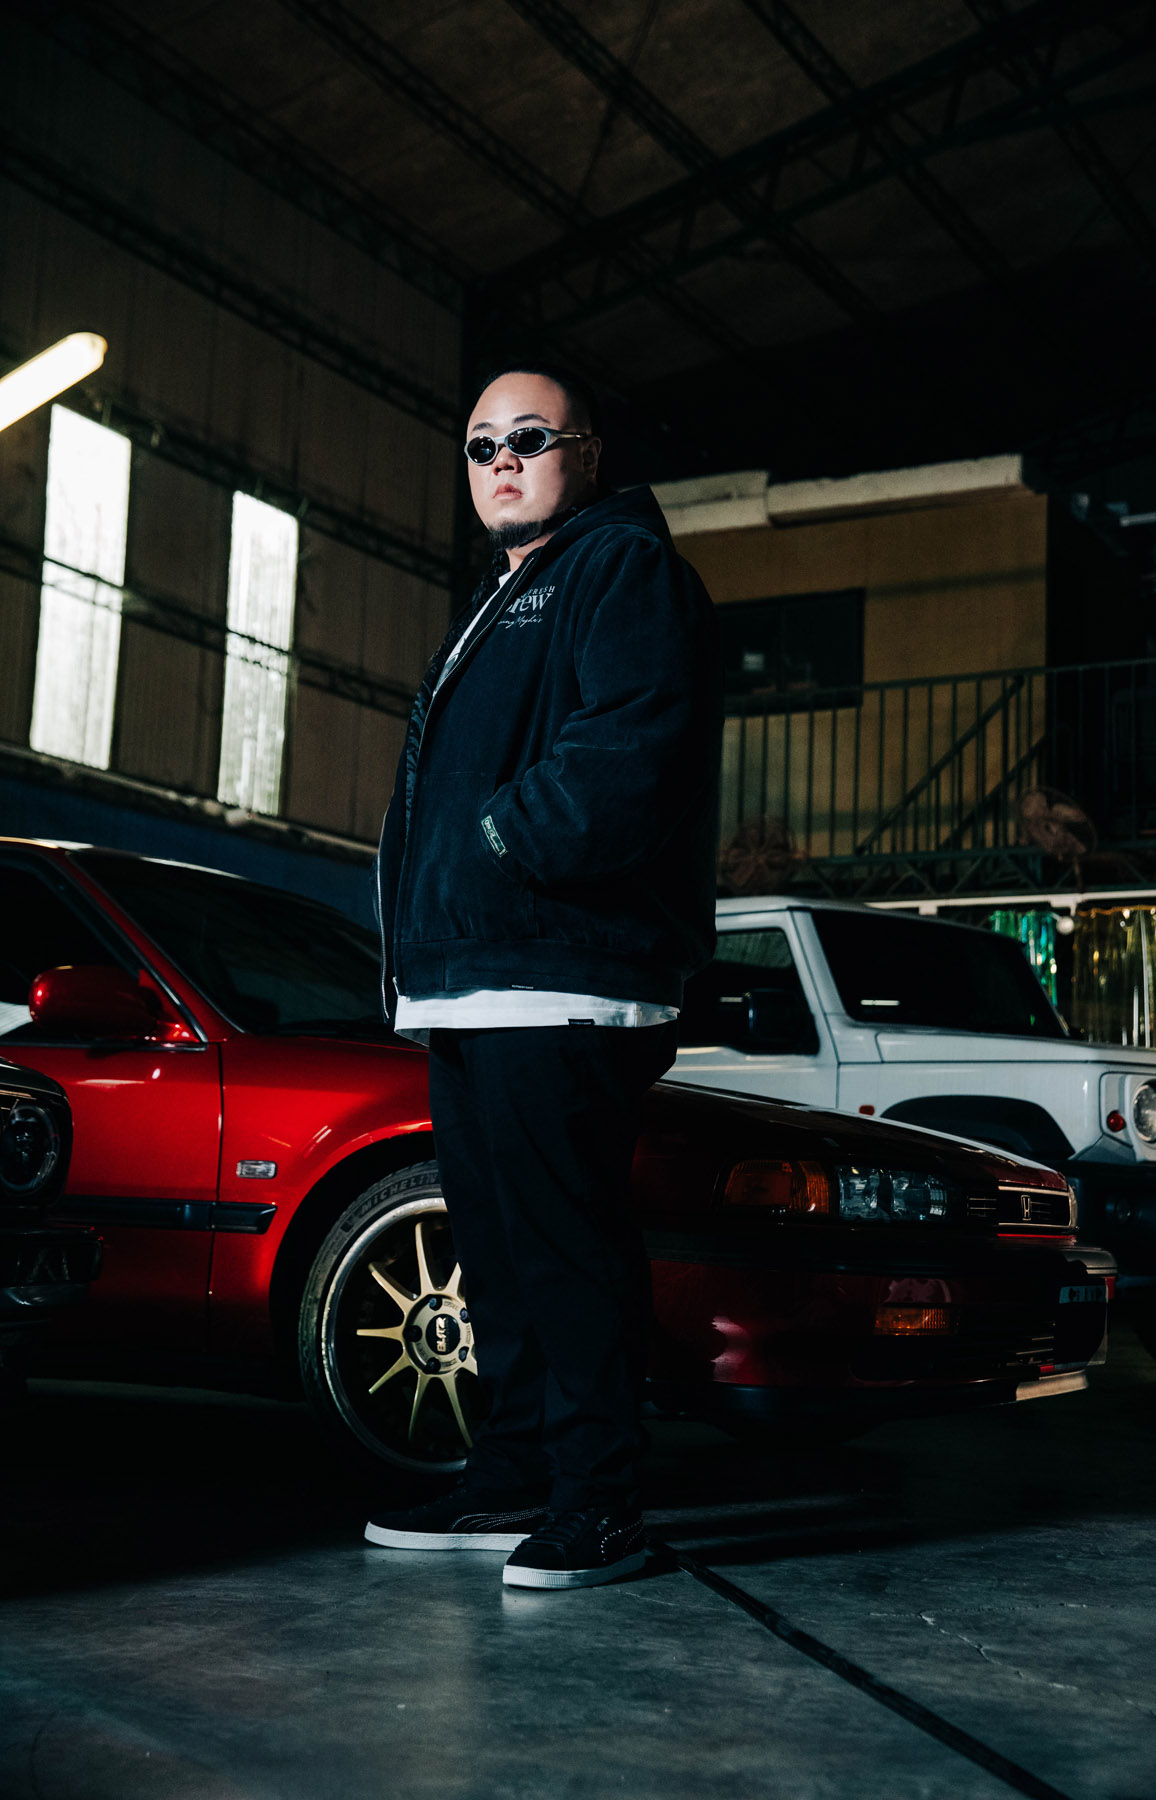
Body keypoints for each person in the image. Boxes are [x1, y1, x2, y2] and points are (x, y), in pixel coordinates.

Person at [364, 364, 721, 1589]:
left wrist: (498, 844)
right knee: (498, 1247)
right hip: (473, 973)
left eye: (529, 437)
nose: (502, 460)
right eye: (481, 446)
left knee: (563, 1243)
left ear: (588, 454)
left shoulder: (622, 569)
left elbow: (629, 749)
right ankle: (514, 1471)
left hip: (558, 969)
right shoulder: (501, 593)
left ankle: (600, 1500)